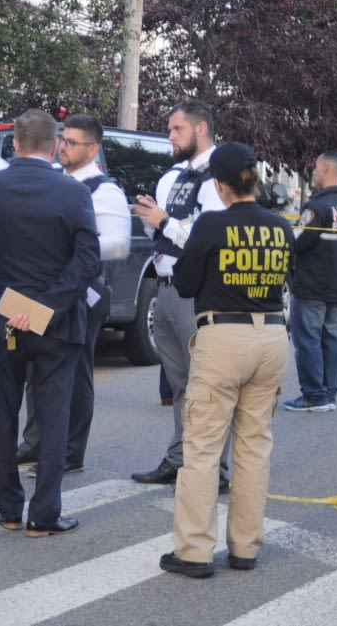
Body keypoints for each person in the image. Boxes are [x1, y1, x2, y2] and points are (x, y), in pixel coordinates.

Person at [159, 142, 295, 579]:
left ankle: (195, 552)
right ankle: (245, 547)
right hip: (272, 335)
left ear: (218, 185)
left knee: (202, 448)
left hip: (223, 338)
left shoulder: (212, 224)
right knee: (255, 447)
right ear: (253, 178)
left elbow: (183, 283)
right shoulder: (279, 226)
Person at [0, 109, 100, 537]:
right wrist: (46, 305)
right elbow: (87, 262)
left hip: (2, 314)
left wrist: (21, 304)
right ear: (54, 145)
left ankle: (8, 508)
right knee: (52, 416)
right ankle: (43, 514)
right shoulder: (74, 192)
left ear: (15, 143)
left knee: (3, 416)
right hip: (57, 321)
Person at [129, 100, 230, 489]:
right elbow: (170, 234)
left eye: (176, 129)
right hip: (167, 286)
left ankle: (216, 469)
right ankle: (179, 457)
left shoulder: (218, 175)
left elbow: (211, 240)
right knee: (181, 385)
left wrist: (165, 222)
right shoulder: (180, 174)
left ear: (200, 129)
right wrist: (153, 222)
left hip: (198, 290)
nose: (169, 136)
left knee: (207, 384)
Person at [25, 113, 130, 477]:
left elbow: (118, 244)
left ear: (93, 149)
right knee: (37, 366)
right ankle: (35, 442)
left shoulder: (105, 190)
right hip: (48, 288)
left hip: (84, 292)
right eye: (62, 140)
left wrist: (73, 246)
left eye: (71, 142)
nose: (63, 147)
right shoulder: (55, 179)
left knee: (75, 372)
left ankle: (71, 452)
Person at [283, 150, 337, 413]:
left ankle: (314, 395)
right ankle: (329, 392)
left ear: (327, 168)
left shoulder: (317, 207)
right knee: (332, 339)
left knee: (307, 340)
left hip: (313, 286)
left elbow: (295, 242)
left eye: (316, 167)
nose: (313, 172)